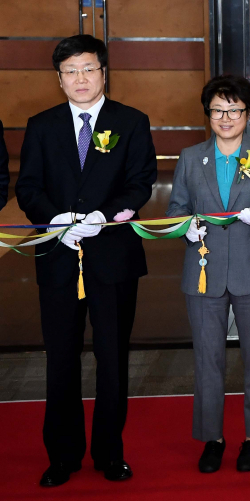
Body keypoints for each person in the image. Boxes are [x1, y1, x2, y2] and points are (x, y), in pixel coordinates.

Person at [16, 34, 157, 486]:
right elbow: (28, 187)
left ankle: (110, 453)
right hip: (58, 257)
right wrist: (54, 218)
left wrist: (104, 215)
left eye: (88, 69)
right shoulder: (41, 125)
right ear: (59, 79)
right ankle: (62, 455)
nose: (80, 78)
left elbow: (141, 182)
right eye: (71, 71)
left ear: (104, 73)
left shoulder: (130, 121)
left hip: (112, 256)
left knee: (112, 358)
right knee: (61, 358)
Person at [165, 75, 250, 473]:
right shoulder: (190, 157)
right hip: (204, 270)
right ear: (208, 114)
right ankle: (211, 438)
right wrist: (185, 226)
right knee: (207, 360)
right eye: (218, 110)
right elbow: (176, 209)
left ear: (248, 114)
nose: (226, 117)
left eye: (234, 110)